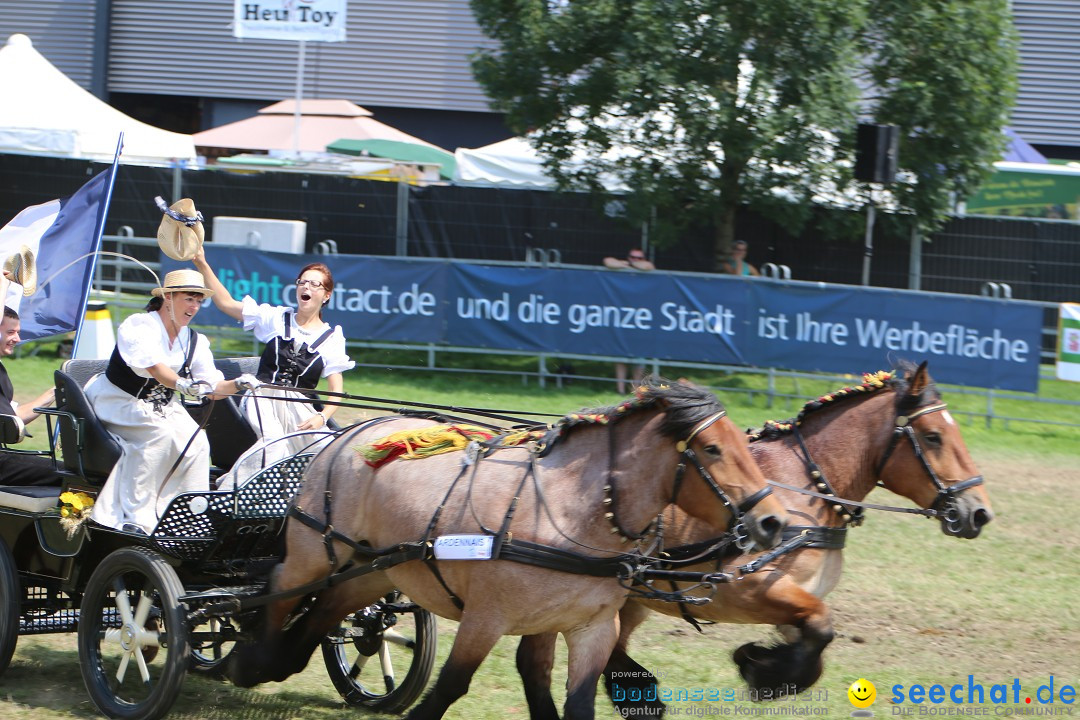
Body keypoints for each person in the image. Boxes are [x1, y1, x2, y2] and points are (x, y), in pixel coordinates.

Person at [86, 269, 242, 535]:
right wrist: (183, 383)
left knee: (198, 443)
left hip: (162, 405)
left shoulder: (194, 340)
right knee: (159, 436)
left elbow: (212, 388)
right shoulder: (139, 325)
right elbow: (156, 368)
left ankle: (186, 515)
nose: (194, 306)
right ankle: (135, 517)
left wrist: (240, 384)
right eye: (188, 298)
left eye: (198, 300)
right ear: (168, 297)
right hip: (119, 400)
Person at [192, 250, 354, 479]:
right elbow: (226, 304)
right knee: (275, 444)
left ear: (326, 295)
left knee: (326, 449)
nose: (306, 288)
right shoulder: (276, 318)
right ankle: (232, 491)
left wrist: (322, 417)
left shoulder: (331, 338)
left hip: (299, 405)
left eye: (314, 284)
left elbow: (336, 391)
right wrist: (202, 263)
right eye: (302, 282)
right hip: (262, 396)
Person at [601, 248, 654, 393]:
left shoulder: (646, 267)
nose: (635, 260)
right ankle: (620, 390)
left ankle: (634, 391)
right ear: (628, 257)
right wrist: (627, 264)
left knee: (639, 359)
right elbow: (607, 261)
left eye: (638, 258)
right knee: (620, 356)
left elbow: (648, 266)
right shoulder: (623, 266)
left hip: (641, 318)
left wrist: (632, 264)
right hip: (622, 316)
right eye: (632, 257)